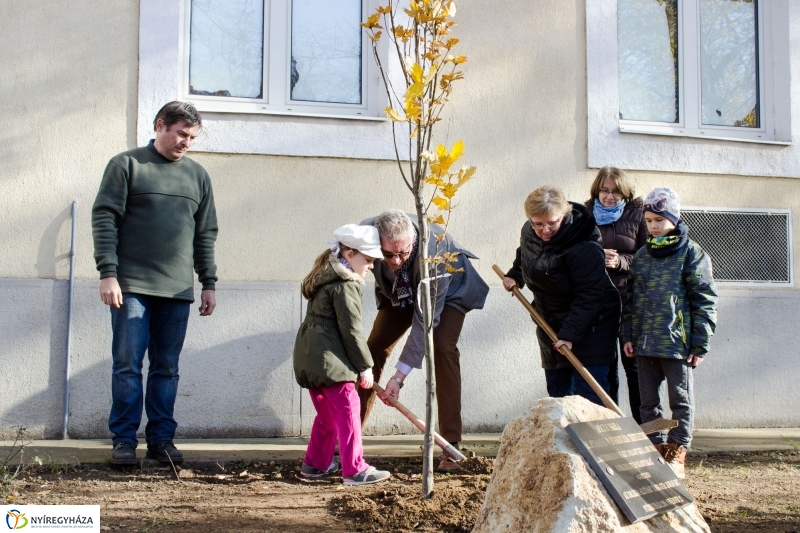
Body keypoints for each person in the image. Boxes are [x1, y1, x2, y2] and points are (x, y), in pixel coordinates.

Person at [92, 101, 218, 465]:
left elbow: (205, 233)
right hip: (130, 285)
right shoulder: (126, 165)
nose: (186, 143)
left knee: (167, 367)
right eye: (181, 133)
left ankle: (161, 439)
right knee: (128, 365)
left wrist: (207, 282)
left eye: (192, 137)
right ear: (160, 125)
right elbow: (104, 220)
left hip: (177, 291)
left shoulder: (198, 176)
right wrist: (108, 273)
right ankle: (124, 441)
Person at [359, 210, 489, 473]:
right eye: (388, 255)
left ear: (413, 243)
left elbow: (425, 321)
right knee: (371, 350)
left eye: (403, 253)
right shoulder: (365, 233)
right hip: (400, 291)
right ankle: (349, 437)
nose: (395, 261)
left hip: (449, 290)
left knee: (442, 348)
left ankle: (450, 444)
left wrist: (398, 377)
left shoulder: (436, 251)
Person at [621, 187, 718, 479]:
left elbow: (705, 299)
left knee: (680, 400)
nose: (653, 226)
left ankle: (677, 451)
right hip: (645, 343)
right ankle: (655, 449)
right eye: (649, 221)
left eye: (659, 221)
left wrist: (700, 344)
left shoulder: (692, 253)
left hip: (678, 344)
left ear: (673, 219)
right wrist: (628, 335)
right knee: (647, 402)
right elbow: (631, 299)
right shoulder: (642, 255)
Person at [503, 185, 620, 406]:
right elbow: (526, 257)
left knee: (589, 396)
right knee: (559, 392)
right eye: (538, 224)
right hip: (551, 321)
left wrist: (570, 334)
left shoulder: (583, 246)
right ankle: (564, 439)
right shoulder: (529, 232)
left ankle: (598, 439)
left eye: (552, 223)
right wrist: (515, 275)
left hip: (592, 325)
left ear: (564, 215)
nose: (544, 230)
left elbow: (589, 296)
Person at [293, 224, 391, 486]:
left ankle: (315, 464)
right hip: (330, 361)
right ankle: (355, 469)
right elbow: (352, 331)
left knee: (327, 416)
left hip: (310, 357)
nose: (371, 266)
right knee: (349, 410)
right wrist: (365, 367)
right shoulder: (346, 286)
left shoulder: (326, 278)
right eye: (368, 260)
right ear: (349, 255)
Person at [585, 166, 648, 423]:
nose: (609, 197)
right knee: (605, 370)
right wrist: (595, 259)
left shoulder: (639, 215)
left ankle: (646, 433)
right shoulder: (584, 214)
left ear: (625, 193)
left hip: (629, 303)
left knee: (635, 370)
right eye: (604, 190)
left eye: (616, 192)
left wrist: (621, 262)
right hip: (598, 303)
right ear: (597, 190)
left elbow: (647, 258)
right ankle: (610, 430)